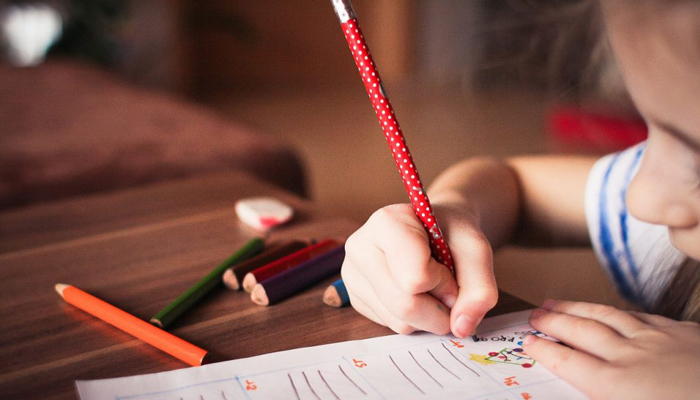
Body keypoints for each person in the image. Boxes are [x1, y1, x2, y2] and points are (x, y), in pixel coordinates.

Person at [340, 0, 700, 398]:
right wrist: (454, 213)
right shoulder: (665, 206)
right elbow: (515, 186)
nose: (639, 198)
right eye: (649, 134)